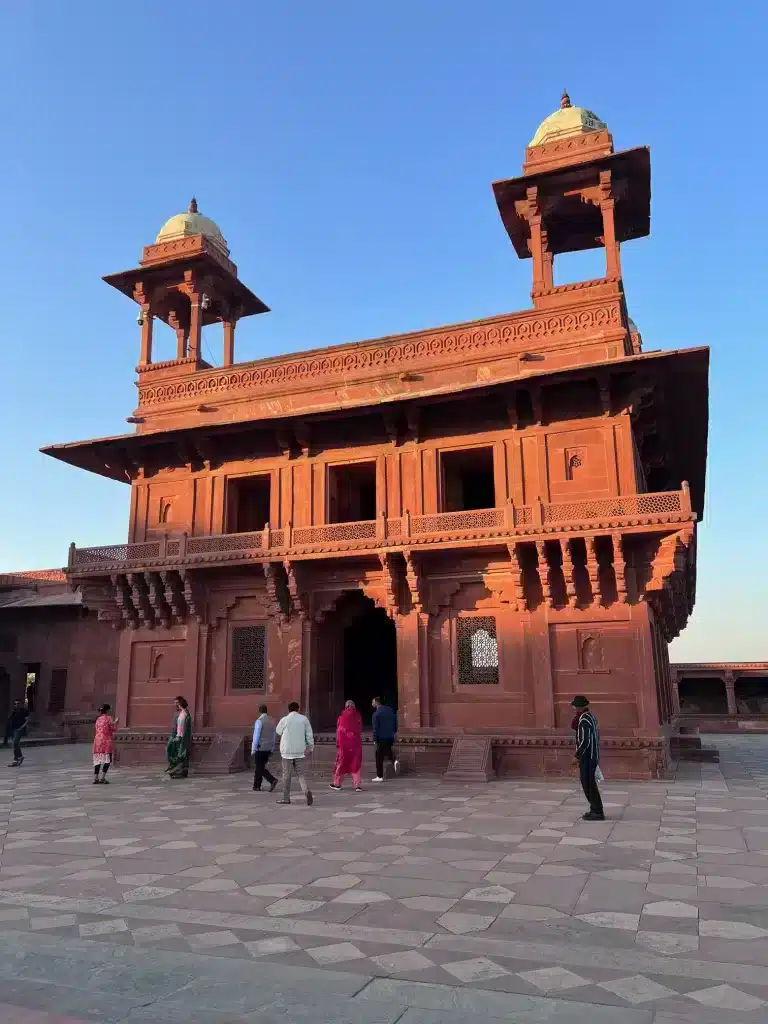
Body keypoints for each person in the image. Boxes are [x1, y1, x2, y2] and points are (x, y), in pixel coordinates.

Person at [571, 695, 604, 821]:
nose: (573, 708)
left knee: (588, 784)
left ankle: (597, 811)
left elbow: (585, 741)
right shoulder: (590, 717)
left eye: (574, 706)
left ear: (579, 707)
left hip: (588, 757)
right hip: (592, 755)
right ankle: (595, 809)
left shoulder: (584, 719)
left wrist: (577, 756)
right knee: (589, 784)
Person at [275, 701, 314, 806]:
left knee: (286, 776)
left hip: (287, 751)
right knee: (301, 775)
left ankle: (286, 797)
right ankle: (306, 791)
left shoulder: (285, 719)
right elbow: (309, 735)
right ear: (298, 709)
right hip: (300, 751)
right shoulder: (304, 719)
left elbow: (278, 731)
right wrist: (310, 747)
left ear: (288, 709)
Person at [330, 700, 363, 792]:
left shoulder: (341, 717)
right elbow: (359, 730)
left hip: (344, 745)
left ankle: (337, 784)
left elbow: (339, 731)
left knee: (341, 764)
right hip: (355, 745)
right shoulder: (358, 716)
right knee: (355, 765)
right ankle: (357, 786)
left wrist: (338, 744)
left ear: (346, 706)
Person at [371, 696, 399, 782]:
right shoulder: (390, 711)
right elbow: (395, 724)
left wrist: (375, 740)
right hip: (390, 736)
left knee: (379, 756)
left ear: (376, 703)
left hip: (381, 737)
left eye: (372, 702)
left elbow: (375, 728)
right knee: (388, 749)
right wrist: (393, 732)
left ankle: (379, 776)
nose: (372, 704)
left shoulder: (377, 714)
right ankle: (394, 761)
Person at [251, 704, 278, 792]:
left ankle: (272, 780)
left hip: (260, 747)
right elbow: (274, 735)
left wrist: (253, 748)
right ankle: (256, 786)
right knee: (260, 766)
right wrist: (272, 747)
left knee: (259, 767)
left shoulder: (259, 721)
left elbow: (256, 736)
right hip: (269, 747)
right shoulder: (272, 721)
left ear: (259, 711)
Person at [166, 696, 192, 779]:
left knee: (178, 753)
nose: (175, 704)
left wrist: (178, 736)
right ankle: (174, 770)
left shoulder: (184, 713)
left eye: (177, 702)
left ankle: (178, 771)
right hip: (176, 735)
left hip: (180, 736)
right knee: (171, 752)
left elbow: (181, 726)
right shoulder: (179, 713)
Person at [92, 704, 118, 784]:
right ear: (108, 710)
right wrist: (115, 723)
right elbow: (113, 729)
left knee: (98, 760)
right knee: (107, 760)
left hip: (97, 740)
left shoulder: (98, 719)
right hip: (106, 740)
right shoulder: (109, 718)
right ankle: (102, 777)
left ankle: (95, 778)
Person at [6, 700, 29, 767]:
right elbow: (10, 719)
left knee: (15, 742)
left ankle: (18, 758)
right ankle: (18, 758)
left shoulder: (24, 711)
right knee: (14, 744)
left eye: (18, 703)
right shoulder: (14, 711)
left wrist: (21, 728)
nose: (16, 705)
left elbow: (27, 720)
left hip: (19, 729)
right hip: (13, 729)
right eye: (15, 704)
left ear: (20, 704)